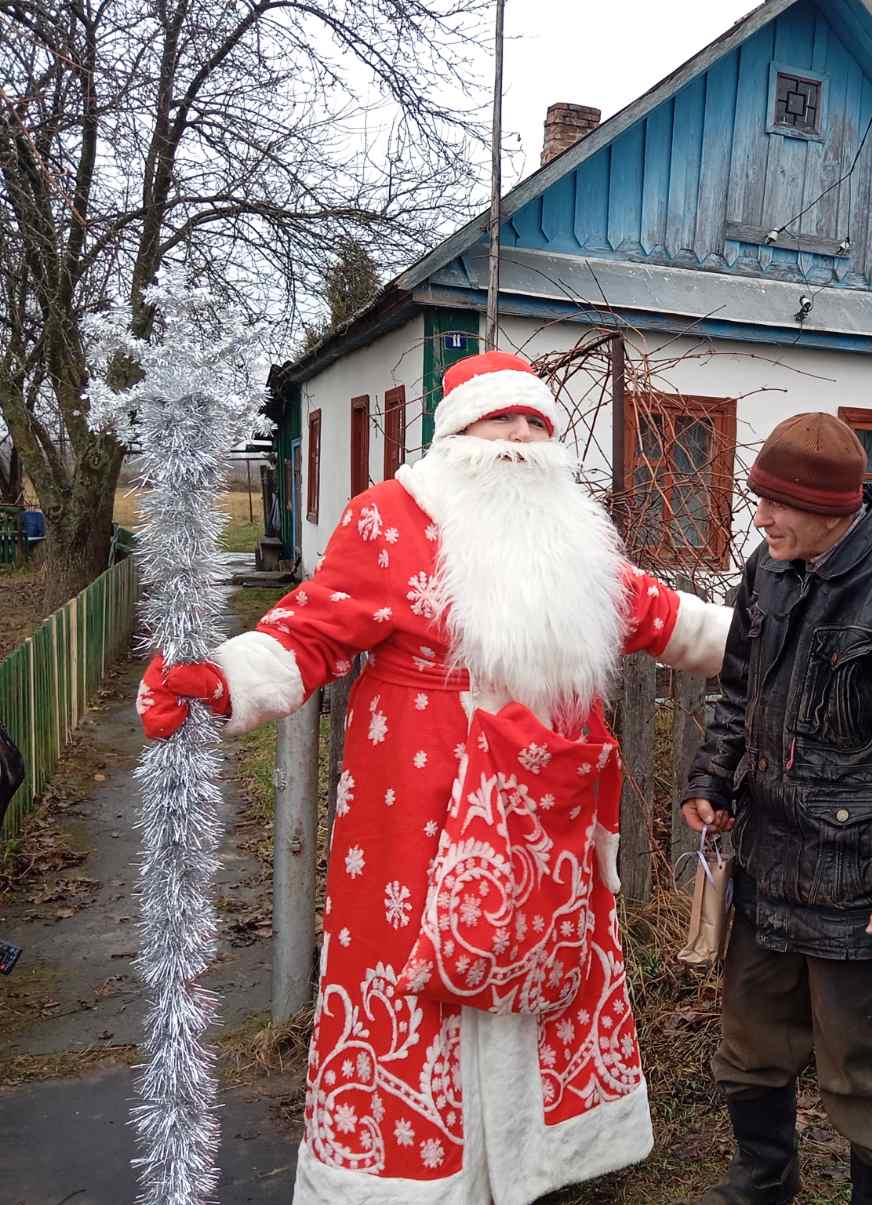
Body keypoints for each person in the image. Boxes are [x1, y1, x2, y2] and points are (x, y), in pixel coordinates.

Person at [137, 350, 731, 1204]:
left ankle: (533, 1160)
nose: (519, 437)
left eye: (535, 422)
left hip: (544, 806)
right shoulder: (390, 516)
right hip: (419, 802)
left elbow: (666, 618)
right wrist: (221, 678)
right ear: (457, 432)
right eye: (501, 418)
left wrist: (776, 631)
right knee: (416, 961)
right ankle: (416, 1176)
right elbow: (311, 632)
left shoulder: (576, 534)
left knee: (540, 952)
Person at [681, 412, 872, 1205]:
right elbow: (739, 688)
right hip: (765, 863)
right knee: (750, 1044)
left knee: (864, 1071)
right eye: (758, 499)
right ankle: (763, 1179)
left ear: (830, 508)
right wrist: (713, 774)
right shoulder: (769, 569)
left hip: (856, 885)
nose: (760, 518)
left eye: (776, 503)